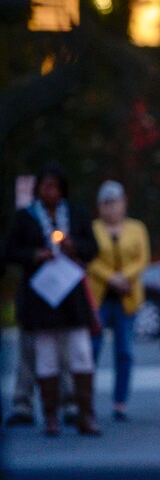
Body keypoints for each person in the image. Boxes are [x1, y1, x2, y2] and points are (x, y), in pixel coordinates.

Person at [5, 162, 100, 436]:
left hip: (71, 295)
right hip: (41, 296)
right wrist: (36, 255)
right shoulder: (26, 217)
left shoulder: (75, 213)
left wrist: (73, 246)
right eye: (46, 186)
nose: (51, 192)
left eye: (56, 187)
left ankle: (85, 414)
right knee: (46, 357)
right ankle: (50, 416)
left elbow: (92, 248)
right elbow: (12, 251)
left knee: (81, 354)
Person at [87, 181, 150, 421]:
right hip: (100, 297)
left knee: (124, 351)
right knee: (91, 350)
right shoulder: (93, 228)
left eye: (115, 202)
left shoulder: (136, 228)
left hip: (126, 296)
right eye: (106, 203)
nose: (111, 208)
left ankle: (120, 401)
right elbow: (90, 259)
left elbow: (142, 258)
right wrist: (110, 277)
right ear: (100, 206)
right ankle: (85, 401)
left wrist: (124, 276)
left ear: (124, 203)